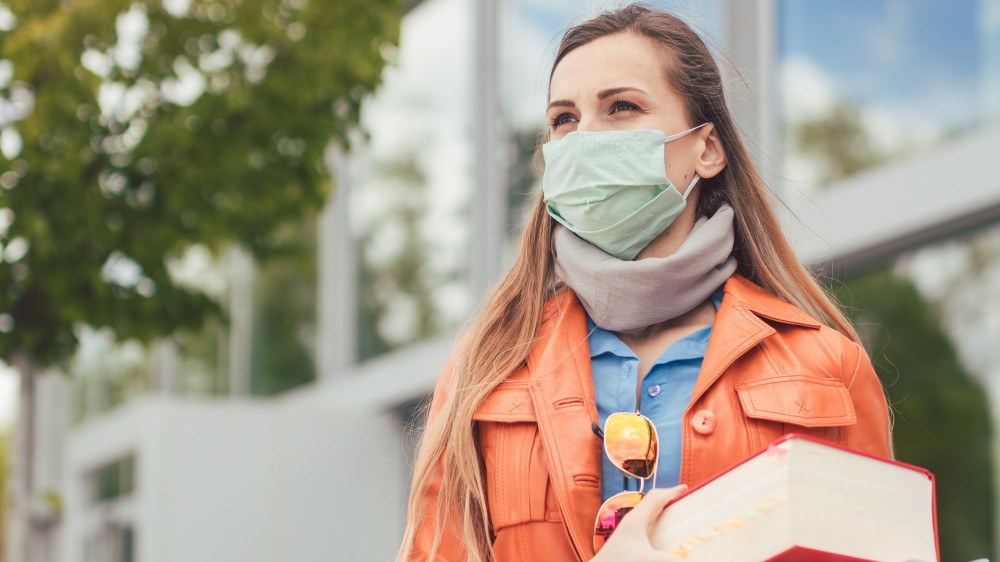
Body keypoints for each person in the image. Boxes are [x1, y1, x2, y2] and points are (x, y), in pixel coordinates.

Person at [397, 5, 892, 562]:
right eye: (564, 119)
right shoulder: (487, 365)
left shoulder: (827, 367)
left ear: (706, 148)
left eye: (621, 107)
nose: (585, 138)